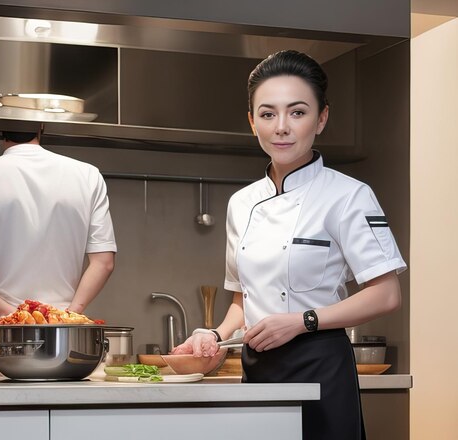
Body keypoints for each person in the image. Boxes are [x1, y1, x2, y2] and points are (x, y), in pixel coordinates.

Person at [172, 50, 406, 439]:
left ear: (322, 118)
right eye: (267, 114)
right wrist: (213, 336)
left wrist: (301, 322)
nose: (281, 127)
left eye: (297, 112)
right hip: (258, 369)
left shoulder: (349, 196)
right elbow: (241, 301)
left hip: (321, 368)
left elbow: (385, 295)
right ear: (252, 122)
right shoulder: (242, 203)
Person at [0, 128, 116, 371]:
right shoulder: (87, 175)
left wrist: (12, 318)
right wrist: (68, 318)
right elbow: (103, 262)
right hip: (66, 349)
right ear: (42, 127)